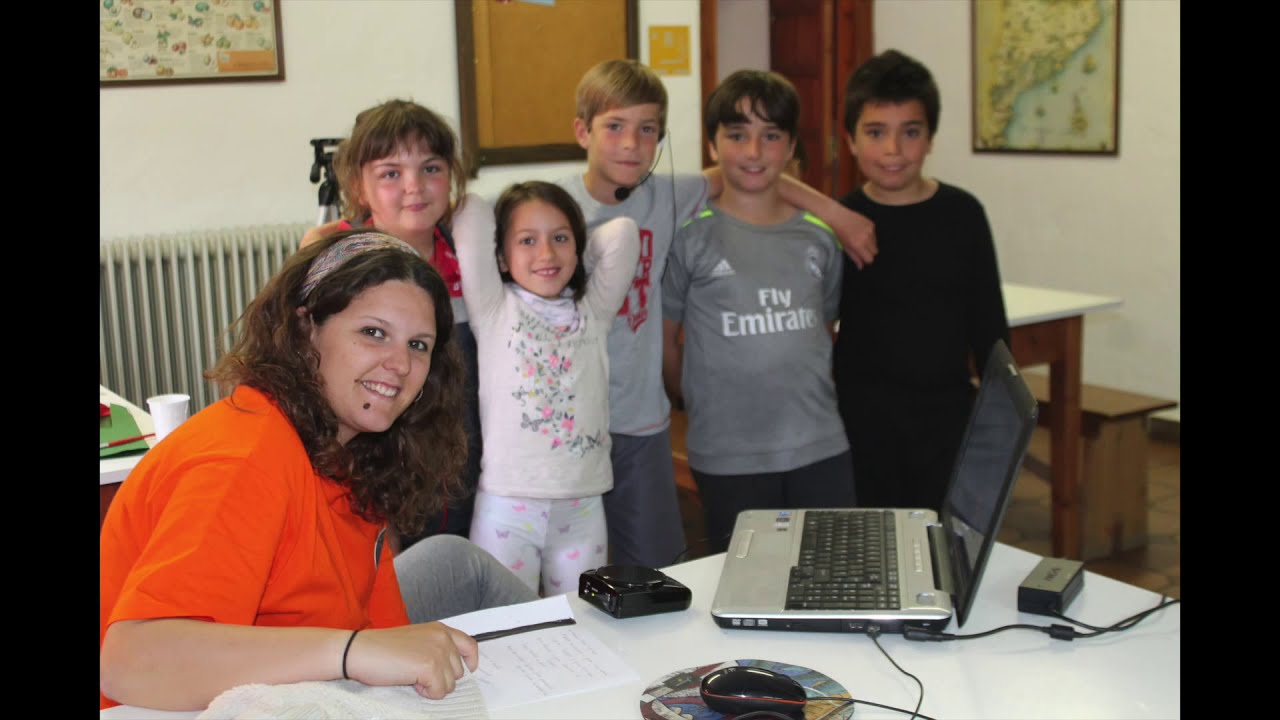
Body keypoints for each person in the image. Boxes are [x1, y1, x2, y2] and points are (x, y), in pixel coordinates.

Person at [100, 229, 538, 711]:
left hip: (304, 675)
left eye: (418, 345)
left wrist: (373, 652)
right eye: (373, 332)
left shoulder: (346, 446)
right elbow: (128, 663)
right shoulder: (246, 459)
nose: (399, 363)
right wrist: (352, 651)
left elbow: (380, 630)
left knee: (456, 561)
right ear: (306, 329)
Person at [557, 59, 877, 568]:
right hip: (570, 424)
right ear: (582, 132)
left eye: (646, 131)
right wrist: (696, 396)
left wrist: (833, 214)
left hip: (650, 424)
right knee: (576, 567)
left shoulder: (673, 200)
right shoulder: (560, 209)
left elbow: (752, 178)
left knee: (669, 569)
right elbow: (671, 339)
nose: (629, 143)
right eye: (613, 127)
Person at [661, 70, 855, 554]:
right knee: (743, 586)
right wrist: (692, 397)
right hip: (729, 455)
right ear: (712, 145)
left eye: (771, 136)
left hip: (819, 446)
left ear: (791, 149)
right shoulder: (690, 237)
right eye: (737, 135)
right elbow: (666, 341)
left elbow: (823, 330)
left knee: (832, 575)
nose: (753, 152)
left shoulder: (818, 238)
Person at [835, 49, 1010, 512]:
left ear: (930, 138)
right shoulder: (840, 220)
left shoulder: (962, 214)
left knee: (940, 551)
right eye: (875, 132)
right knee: (873, 548)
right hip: (861, 424)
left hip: (946, 421)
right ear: (850, 139)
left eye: (910, 132)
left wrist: (996, 422)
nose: (893, 151)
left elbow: (990, 327)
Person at [302, 99, 483, 545]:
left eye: (431, 168)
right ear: (359, 187)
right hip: (371, 466)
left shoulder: (470, 256)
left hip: (460, 457)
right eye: (390, 173)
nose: (415, 187)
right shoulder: (337, 254)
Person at [451, 183, 640, 594]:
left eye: (560, 238)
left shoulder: (594, 309)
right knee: (505, 629)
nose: (546, 254)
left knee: (580, 625)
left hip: (582, 507)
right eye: (527, 241)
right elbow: (469, 210)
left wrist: (577, 255)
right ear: (500, 255)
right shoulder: (493, 307)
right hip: (507, 507)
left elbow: (623, 233)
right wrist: (544, 242)